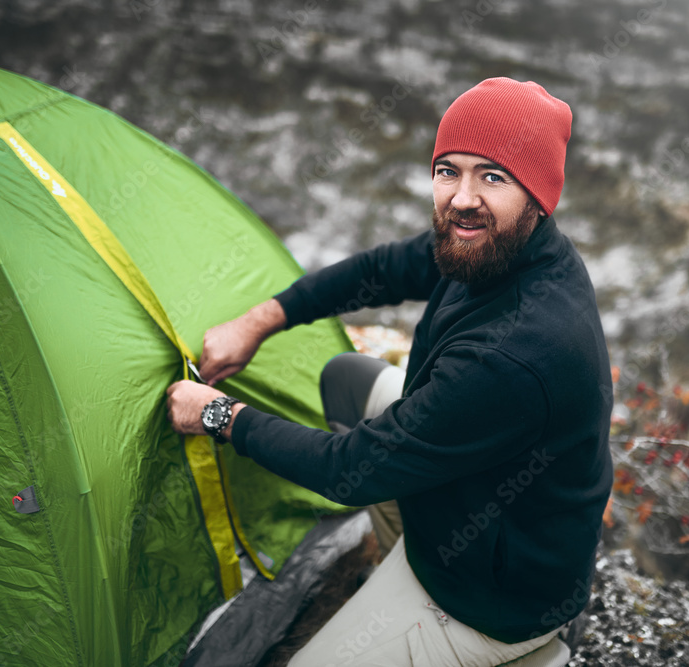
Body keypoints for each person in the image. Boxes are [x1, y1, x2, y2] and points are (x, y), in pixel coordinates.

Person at [167, 77, 613, 666]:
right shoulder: (496, 245)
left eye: (493, 176)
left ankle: (511, 651)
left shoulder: (514, 352)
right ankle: (400, 557)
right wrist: (260, 320)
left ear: (538, 196)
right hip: (463, 507)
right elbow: (384, 268)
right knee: (348, 381)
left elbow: (348, 471)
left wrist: (218, 414)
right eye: (449, 169)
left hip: (487, 596)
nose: (462, 197)